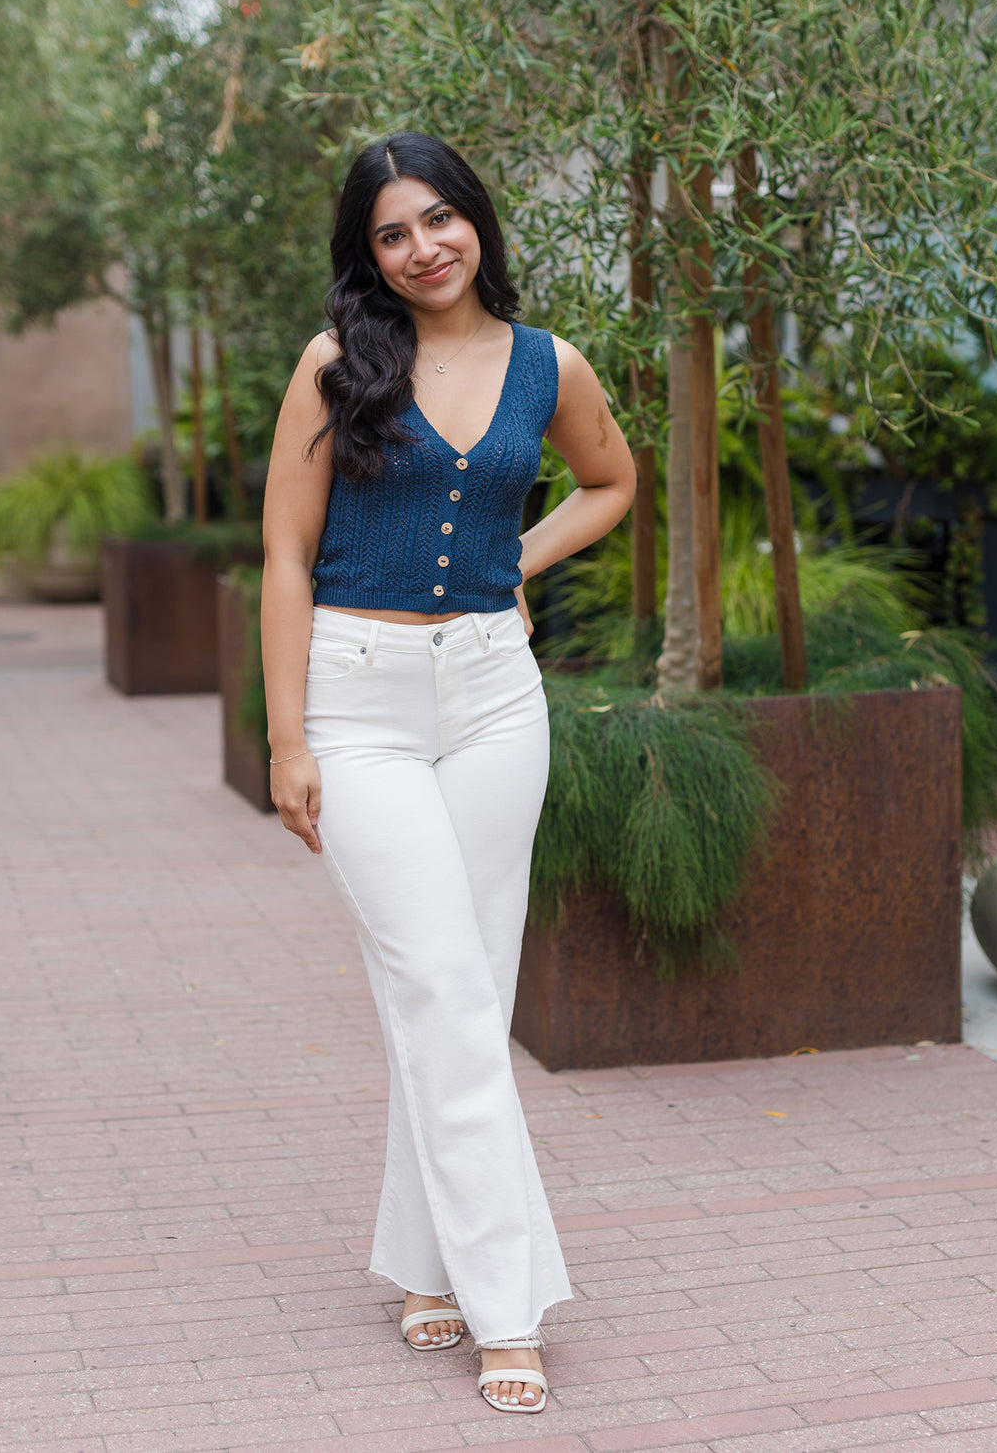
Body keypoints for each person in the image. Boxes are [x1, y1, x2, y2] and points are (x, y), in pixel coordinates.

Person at [260, 131, 635, 1415]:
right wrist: (288, 738)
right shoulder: (333, 368)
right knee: (442, 990)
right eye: (391, 233)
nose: (423, 248)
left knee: (467, 988)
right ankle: (506, 1302)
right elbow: (283, 560)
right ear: (365, 255)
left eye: (439, 220)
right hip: (356, 701)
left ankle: (424, 1266)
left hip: (492, 699)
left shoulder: (550, 365)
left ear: (476, 220)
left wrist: (510, 570)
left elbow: (611, 482)